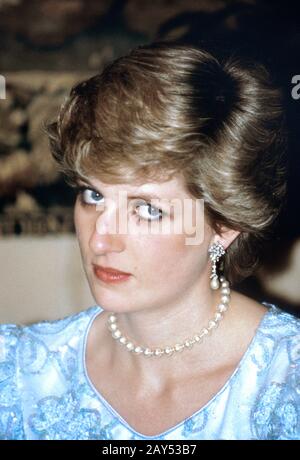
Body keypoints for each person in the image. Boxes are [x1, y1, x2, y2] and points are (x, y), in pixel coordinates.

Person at [0, 40, 299, 441]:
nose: (101, 239)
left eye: (147, 209)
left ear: (225, 226)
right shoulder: (18, 373)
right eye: (94, 195)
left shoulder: (287, 382)